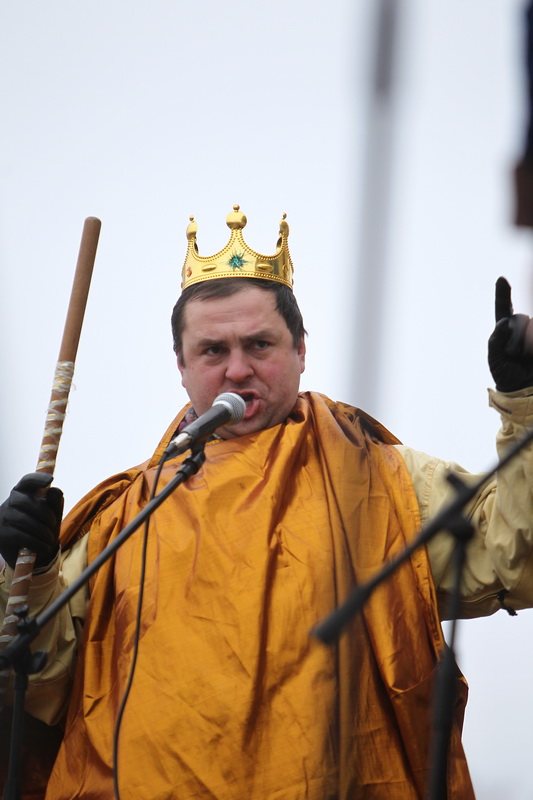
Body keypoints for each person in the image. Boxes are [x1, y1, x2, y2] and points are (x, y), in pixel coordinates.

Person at [2, 205, 533, 800]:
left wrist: (525, 402)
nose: (238, 370)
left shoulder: (380, 479)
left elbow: (514, 558)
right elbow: (37, 686)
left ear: (301, 350)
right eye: (212, 351)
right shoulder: (124, 516)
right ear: (181, 366)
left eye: (259, 344)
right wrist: (26, 571)